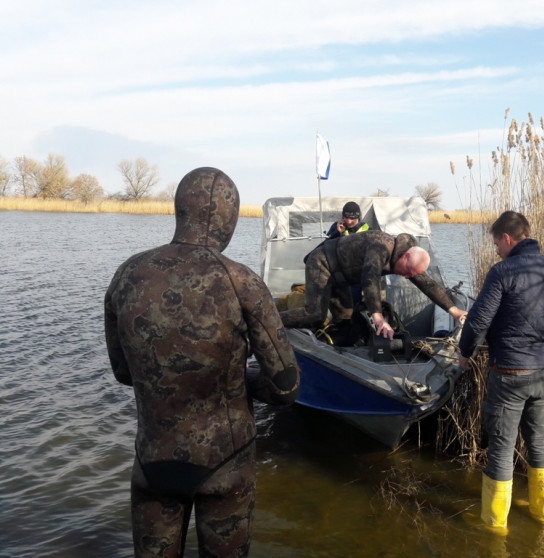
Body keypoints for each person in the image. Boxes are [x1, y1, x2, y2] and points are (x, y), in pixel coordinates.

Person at [104, 167, 300, 557]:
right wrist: (241, 383)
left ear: (181, 212)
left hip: (153, 462)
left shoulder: (127, 274)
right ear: (226, 219)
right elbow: (285, 387)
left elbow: (123, 373)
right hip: (225, 467)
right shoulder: (241, 281)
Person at [458, 211, 544, 533]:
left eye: (496, 242)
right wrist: (541, 330)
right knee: (539, 439)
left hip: (509, 373)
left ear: (507, 238)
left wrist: (465, 353)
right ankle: (542, 513)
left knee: (500, 445)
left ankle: (495, 523)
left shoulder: (502, 272)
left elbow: (478, 322)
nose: (496, 249)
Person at [280, 229, 467, 339]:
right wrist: (377, 317)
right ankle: (271, 321)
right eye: (409, 273)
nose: (408, 277)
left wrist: (454, 311)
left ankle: (329, 346)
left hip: (341, 276)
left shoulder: (408, 262)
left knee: (346, 318)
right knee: (314, 314)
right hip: (322, 263)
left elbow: (428, 285)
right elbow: (370, 278)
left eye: (411, 275)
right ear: (407, 256)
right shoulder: (381, 245)